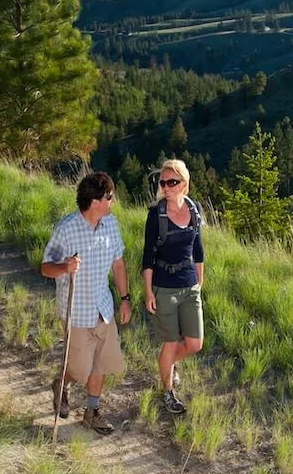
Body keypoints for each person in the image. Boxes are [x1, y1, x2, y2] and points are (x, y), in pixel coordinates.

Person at [41, 172, 132, 435]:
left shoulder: (111, 224)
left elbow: (118, 263)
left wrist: (125, 299)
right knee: (80, 368)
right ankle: (62, 382)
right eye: (109, 197)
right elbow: (45, 268)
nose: (112, 201)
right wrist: (65, 266)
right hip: (76, 310)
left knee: (101, 363)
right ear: (95, 201)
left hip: (103, 307)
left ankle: (92, 412)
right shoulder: (67, 228)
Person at [142, 159, 204, 415]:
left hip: (189, 285)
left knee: (195, 343)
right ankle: (167, 392)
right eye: (163, 182)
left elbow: (198, 250)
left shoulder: (195, 209)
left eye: (172, 182)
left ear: (184, 184)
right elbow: (147, 257)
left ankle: (169, 364)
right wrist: (148, 292)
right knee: (170, 342)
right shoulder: (156, 215)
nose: (166, 187)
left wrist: (199, 283)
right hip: (164, 287)